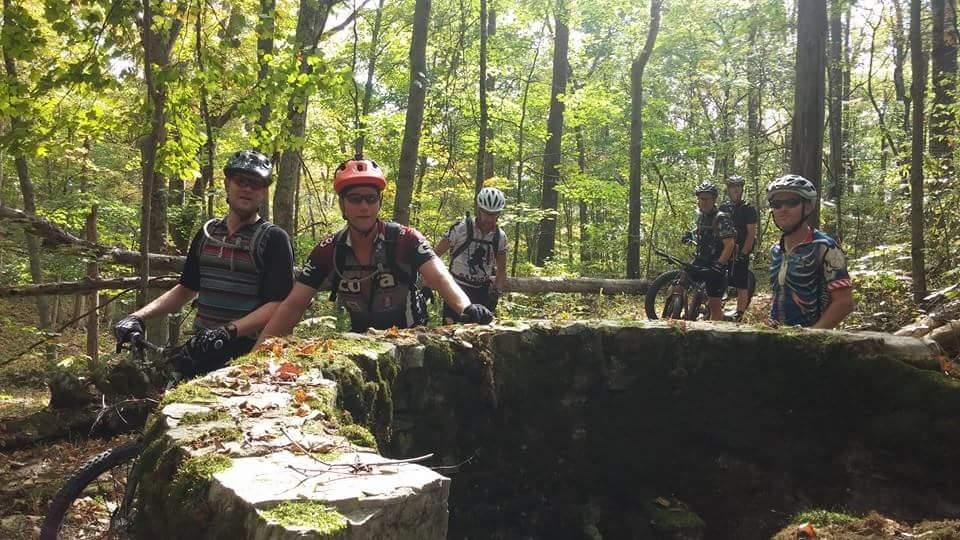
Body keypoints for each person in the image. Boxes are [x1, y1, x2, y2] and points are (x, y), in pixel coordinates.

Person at [256, 156, 492, 344]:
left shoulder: (405, 239)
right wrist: (256, 356)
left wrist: (466, 307)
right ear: (342, 205)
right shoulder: (328, 250)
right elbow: (293, 305)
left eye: (370, 199)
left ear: (379, 202)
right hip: (361, 341)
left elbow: (440, 277)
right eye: (355, 199)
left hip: (410, 337)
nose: (364, 207)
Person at [114, 150, 295, 376]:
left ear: (263, 192)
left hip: (249, 357)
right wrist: (137, 317)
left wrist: (226, 332)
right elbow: (185, 289)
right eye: (241, 181)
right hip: (199, 350)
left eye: (256, 184)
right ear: (228, 184)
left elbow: (278, 305)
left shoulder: (274, 239)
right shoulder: (207, 234)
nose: (247, 188)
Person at [766, 174, 854, 328]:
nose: (783, 209)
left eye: (792, 203)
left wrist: (813, 335)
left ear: (808, 207)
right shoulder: (776, 250)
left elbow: (844, 302)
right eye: (777, 204)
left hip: (813, 342)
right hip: (777, 338)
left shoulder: (825, 247)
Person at [434, 187, 508, 323]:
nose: (489, 218)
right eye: (486, 213)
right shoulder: (461, 229)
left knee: (481, 338)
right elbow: (434, 255)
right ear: (479, 210)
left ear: (499, 213)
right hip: (456, 289)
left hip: (481, 292)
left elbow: (502, 270)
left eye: (494, 214)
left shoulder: (500, 237)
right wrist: (429, 283)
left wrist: (496, 294)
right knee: (451, 335)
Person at [681, 181, 736, 321]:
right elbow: (701, 231)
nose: (703, 202)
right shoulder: (702, 216)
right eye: (701, 199)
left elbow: (729, 244)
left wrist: (719, 264)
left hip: (716, 262)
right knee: (681, 280)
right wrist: (690, 235)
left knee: (714, 303)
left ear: (714, 200)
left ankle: (717, 332)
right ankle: (680, 310)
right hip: (701, 258)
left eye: (707, 199)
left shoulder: (721, 218)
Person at [719, 175, 758, 321]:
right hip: (724, 250)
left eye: (738, 186)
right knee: (718, 279)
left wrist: (744, 252)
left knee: (741, 283)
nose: (735, 189)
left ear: (742, 189)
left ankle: (739, 314)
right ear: (728, 190)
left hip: (740, 251)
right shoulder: (723, 208)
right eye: (731, 187)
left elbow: (751, 233)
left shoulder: (748, 209)